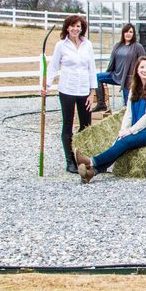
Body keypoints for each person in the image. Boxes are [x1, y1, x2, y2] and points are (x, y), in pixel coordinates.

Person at [74, 57, 146, 183]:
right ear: (137, 70)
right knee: (121, 140)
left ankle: (91, 161)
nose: (144, 70)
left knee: (124, 143)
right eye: (142, 67)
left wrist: (130, 130)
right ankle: (92, 172)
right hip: (135, 128)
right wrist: (123, 130)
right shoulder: (134, 88)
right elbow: (128, 112)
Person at [42, 14, 97, 174]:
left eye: (78, 26)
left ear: (82, 28)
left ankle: (83, 157)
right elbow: (53, 67)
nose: (75, 29)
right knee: (68, 124)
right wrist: (46, 85)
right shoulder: (61, 45)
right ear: (67, 27)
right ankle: (70, 161)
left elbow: (91, 68)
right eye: (72, 26)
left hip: (84, 89)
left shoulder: (87, 45)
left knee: (86, 125)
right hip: (67, 89)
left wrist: (92, 92)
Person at [93, 23, 146, 110]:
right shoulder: (118, 45)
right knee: (97, 77)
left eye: (130, 32)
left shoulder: (137, 47)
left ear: (133, 34)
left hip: (128, 79)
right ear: (123, 33)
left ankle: (130, 121)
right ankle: (101, 104)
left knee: (127, 105)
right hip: (116, 75)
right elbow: (113, 61)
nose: (128, 34)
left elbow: (143, 62)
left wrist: (139, 78)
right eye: (126, 32)